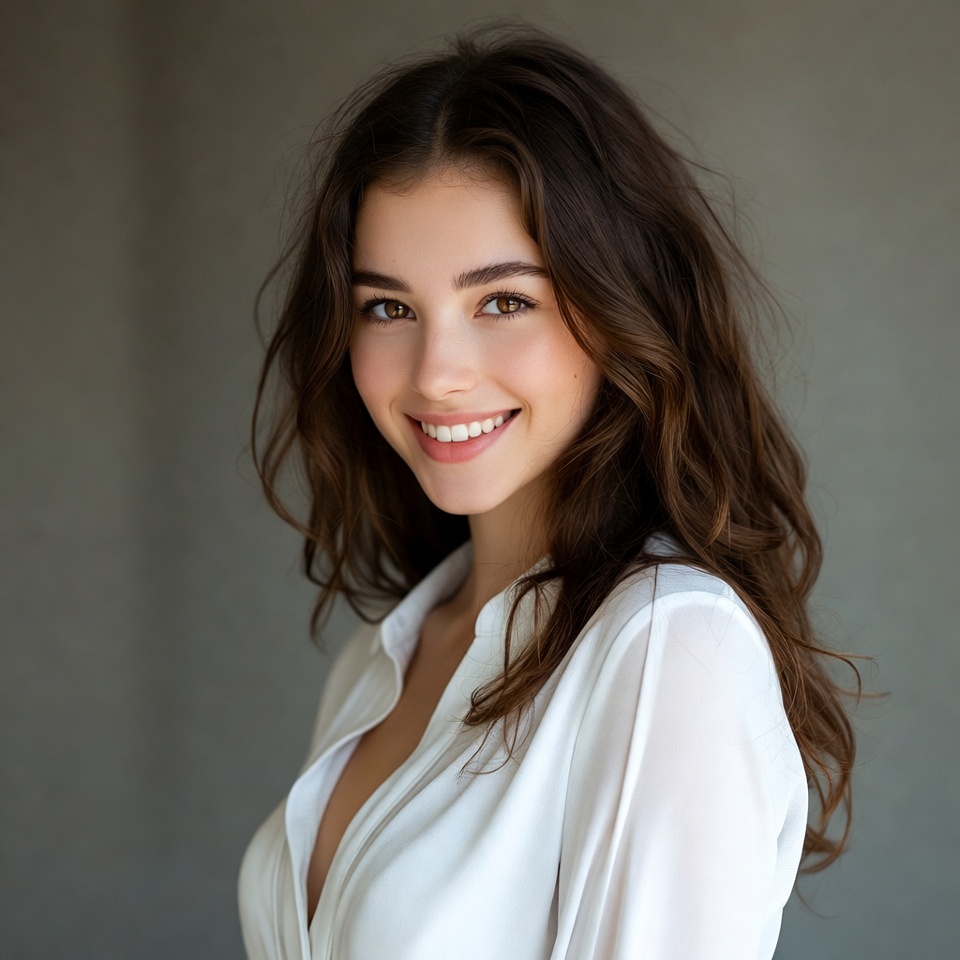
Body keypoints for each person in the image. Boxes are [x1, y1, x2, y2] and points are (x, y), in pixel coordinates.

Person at [238, 24, 857, 960]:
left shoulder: (663, 650)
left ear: (621, 310)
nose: (437, 373)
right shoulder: (382, 656)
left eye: (503, 301)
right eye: (389, 308)